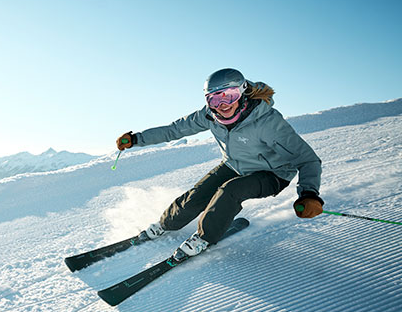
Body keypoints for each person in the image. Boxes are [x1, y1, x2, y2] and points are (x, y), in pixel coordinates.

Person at [116, 68, 324, 262]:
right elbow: (174, 130)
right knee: (197, 195)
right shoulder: (209, 116)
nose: (222, 105)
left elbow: (307, 159)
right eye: (214, 99)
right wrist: (137, 139)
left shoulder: (268, 122)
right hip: (234, 165)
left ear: (242, 93)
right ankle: (166, 224)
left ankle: (204, 238)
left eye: (229, 96)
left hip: (272, 174)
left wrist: (309, 194)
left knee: (230, 191)